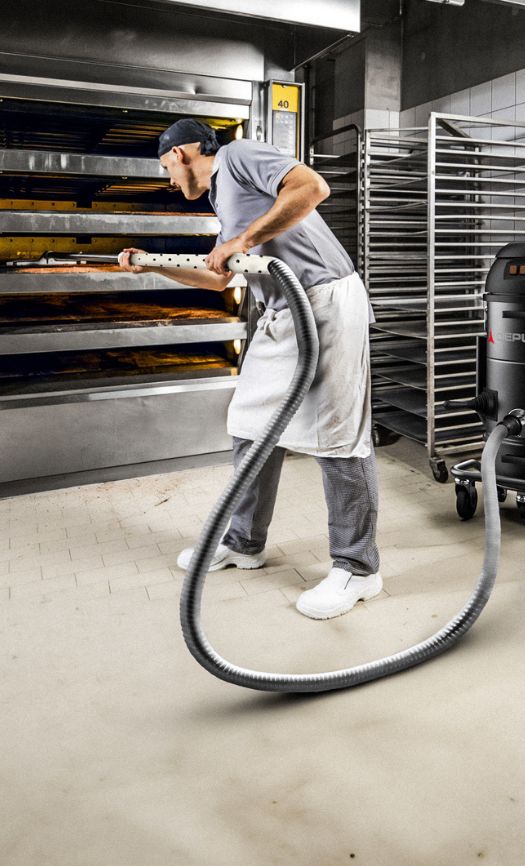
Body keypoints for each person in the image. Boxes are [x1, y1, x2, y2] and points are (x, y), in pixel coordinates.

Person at [119, 118, 381, 620]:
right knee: (249, 426)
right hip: (281, 313)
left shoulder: (238, 156)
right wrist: (152, 263)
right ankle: (244, 542)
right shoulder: (224, 196)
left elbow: (312, 186)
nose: (169, 181)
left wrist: (241, 240)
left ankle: (359, 567)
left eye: (166, 169)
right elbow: (218, 280)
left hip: (325, 301)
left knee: (338, 436)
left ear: (181, 154)